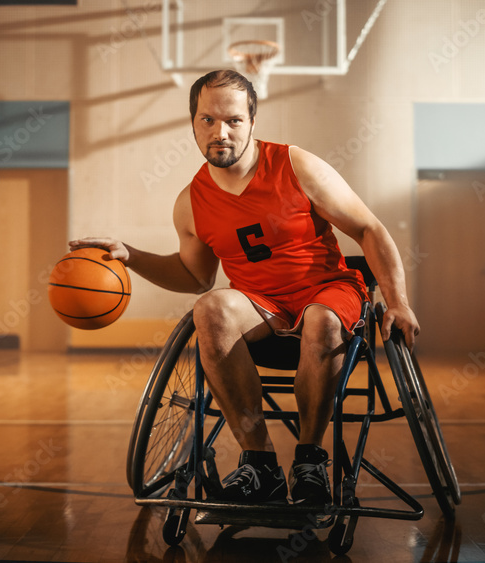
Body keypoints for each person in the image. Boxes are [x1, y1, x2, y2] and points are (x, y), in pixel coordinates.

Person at [71, 70, 419, 505]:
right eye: (208, 120)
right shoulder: (191, 202)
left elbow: (369, 229)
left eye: (233, 120)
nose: (221, 132)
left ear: (252, 121)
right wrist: (133, 255)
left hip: (328, 291)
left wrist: (399, 302)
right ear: (194, 123)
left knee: (322, 320)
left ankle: (310, 460)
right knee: (210, 308)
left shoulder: (296, 165)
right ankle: (260, 465)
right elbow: (195, 277)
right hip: (262, 307)